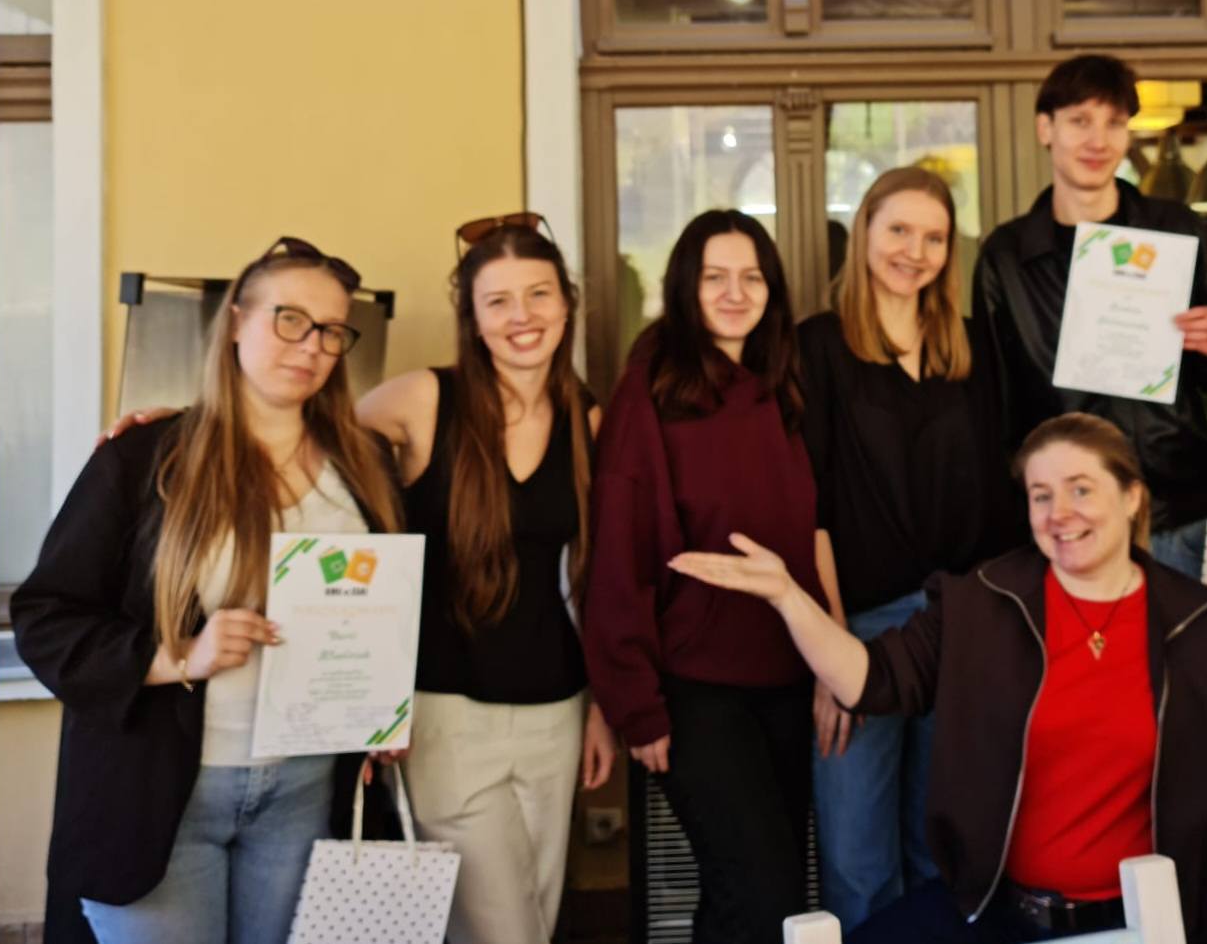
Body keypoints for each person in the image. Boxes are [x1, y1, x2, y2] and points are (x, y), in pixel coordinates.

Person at [669, 412, 1207, 943]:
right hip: (994, 912)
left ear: (1133, 498)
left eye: (1080, 489)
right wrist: (787, 596)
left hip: (1142, 921)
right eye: (1041, 495)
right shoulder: (981, 601)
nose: (1058, 513)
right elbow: (868, 680)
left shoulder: (1194, 622)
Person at [12, 237, 405, 944]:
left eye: (331, 330)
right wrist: (177, 656)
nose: (311, 345)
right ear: (236, 322)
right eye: (290, 319)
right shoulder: (145, 458)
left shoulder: (366, 464)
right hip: (159, 796)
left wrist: (380, 709)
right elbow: (46, 617)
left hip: (306, 790)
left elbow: (389, 608)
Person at [971, 52, 1207, 943]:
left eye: (1112, 121)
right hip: (1069, 540)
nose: (1095, 139)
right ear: (1045, 130)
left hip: (1175, 514)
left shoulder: (1175, 230)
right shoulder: (1006, 255)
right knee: (1099, 757)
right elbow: (999, 410)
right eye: (1078, 120)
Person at [355, 214, 617, 944]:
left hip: (556, 713)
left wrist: (601, 706)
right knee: (509, 934)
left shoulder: (589, 420)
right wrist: (175, 425)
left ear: (566, 304)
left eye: (538, 294)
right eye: (498, 300)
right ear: (471, 317)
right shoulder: (422, 400)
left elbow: (598, 576)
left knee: (531, 918)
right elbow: (292, 439)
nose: (521, 316)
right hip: (445, 717)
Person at [583, 209, 830, 943]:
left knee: (756, 898)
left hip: (786, 681)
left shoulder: (779, 388)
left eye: (751, 277)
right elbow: (619, 550)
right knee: (762, 892)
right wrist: (634, 702)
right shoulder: (650, 391)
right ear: (684, 288)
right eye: (715, 277)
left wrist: (830, 662)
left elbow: (808, 539)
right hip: (694, 692)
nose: (734, 293)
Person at [800, 167, 1023, 928]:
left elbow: (998, 496)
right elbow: (810, 512)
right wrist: (829, 650)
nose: (914, 251)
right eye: (898, 230)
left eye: (933, 237)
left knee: (941, 851)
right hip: (859, 631)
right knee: (856, 857)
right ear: (864, 229)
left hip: (958, 625)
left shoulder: (971, 347)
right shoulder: (817, 347)